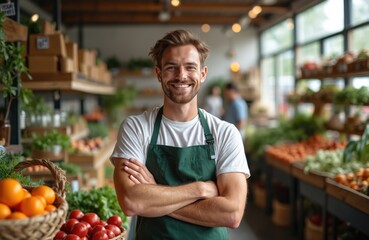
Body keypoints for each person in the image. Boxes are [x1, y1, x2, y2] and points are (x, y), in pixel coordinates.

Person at [111, 29, 250, 240]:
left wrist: (154, 192)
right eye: (171, 67)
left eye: (190, 67)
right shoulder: (136, 128)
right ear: (159, 74)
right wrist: (201, 189)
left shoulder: (225, 133)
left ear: (202, 74)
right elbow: (131, 202)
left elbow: (231, 213)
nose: (181, 75)